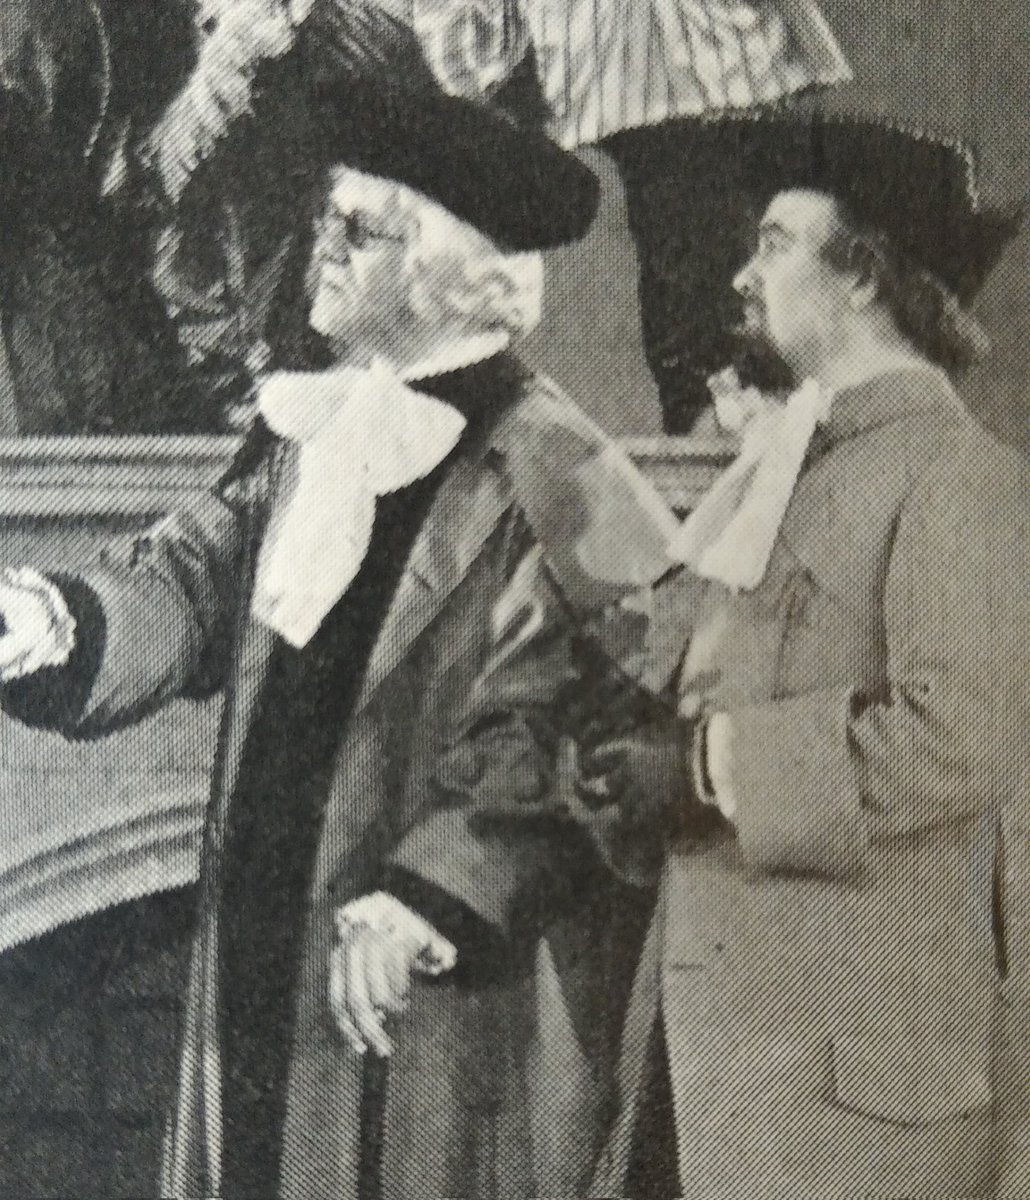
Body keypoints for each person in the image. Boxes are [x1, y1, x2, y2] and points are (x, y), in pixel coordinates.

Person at [0, 59, 678, 1200]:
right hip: (266, 950)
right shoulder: (307, 432)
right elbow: (188, 584)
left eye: (353, 231)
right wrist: (56, 623)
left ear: (446, 272)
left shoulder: (561, 475)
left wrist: (430, 892)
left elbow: (591, 730)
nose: (316, 246)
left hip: (436, 1003)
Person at [576, 112, 1030, 1198]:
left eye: (774, 242)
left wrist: (700, 772)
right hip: (722, 1069)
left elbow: (952, 740)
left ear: (863, 274)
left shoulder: (961, 480)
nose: (743, 274)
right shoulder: (791, 472)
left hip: (848, 1116)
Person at [409, 0, 852, 429]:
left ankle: (732, 402)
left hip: (677, 48)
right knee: (688, 211)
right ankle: (712, 405)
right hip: (630, 49)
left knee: (718, 212)